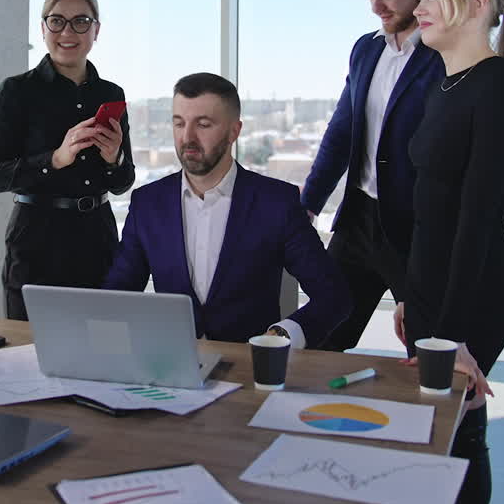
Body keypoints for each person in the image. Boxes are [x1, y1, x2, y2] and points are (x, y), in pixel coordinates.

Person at [398, 0, 504, 504]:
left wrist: (452, 336)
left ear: (478, 3)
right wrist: (413, 294)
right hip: (435, 293)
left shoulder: (499, 89)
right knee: (441, 433)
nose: (420, 5)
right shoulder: (446, 84)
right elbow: (431, 211)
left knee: (457, 438)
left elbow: (477, 223)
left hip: (472, 299)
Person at [105, 73, 351, 347]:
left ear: (234, 131)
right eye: (179, 123)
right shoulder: (147, 203)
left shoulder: (277, 202)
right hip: (173, 369)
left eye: (204, 124)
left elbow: (334, 296)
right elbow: (117, 296)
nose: (187, 137)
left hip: (251, 372)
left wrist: (281, 338)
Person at [301, 0, 444, 351]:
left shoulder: (444, 56)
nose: (376, 7)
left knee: (431, 352)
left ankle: (460, 419)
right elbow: (341, 133)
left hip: (415, 231)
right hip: (358, 222)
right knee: (323, 337)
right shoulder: (365, 50)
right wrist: (308, 205)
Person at [0, 0, 135, 321]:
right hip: (36, 241)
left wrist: (114, 159)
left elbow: (124, 181)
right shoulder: (16, 92)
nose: (68, 31)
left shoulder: (111, 93)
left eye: (81, 21)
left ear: (96, 30)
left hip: (98, 238)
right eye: (57, 21)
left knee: (101, 352)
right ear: (43, 27)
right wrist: (54, 159)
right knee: (29, 355)